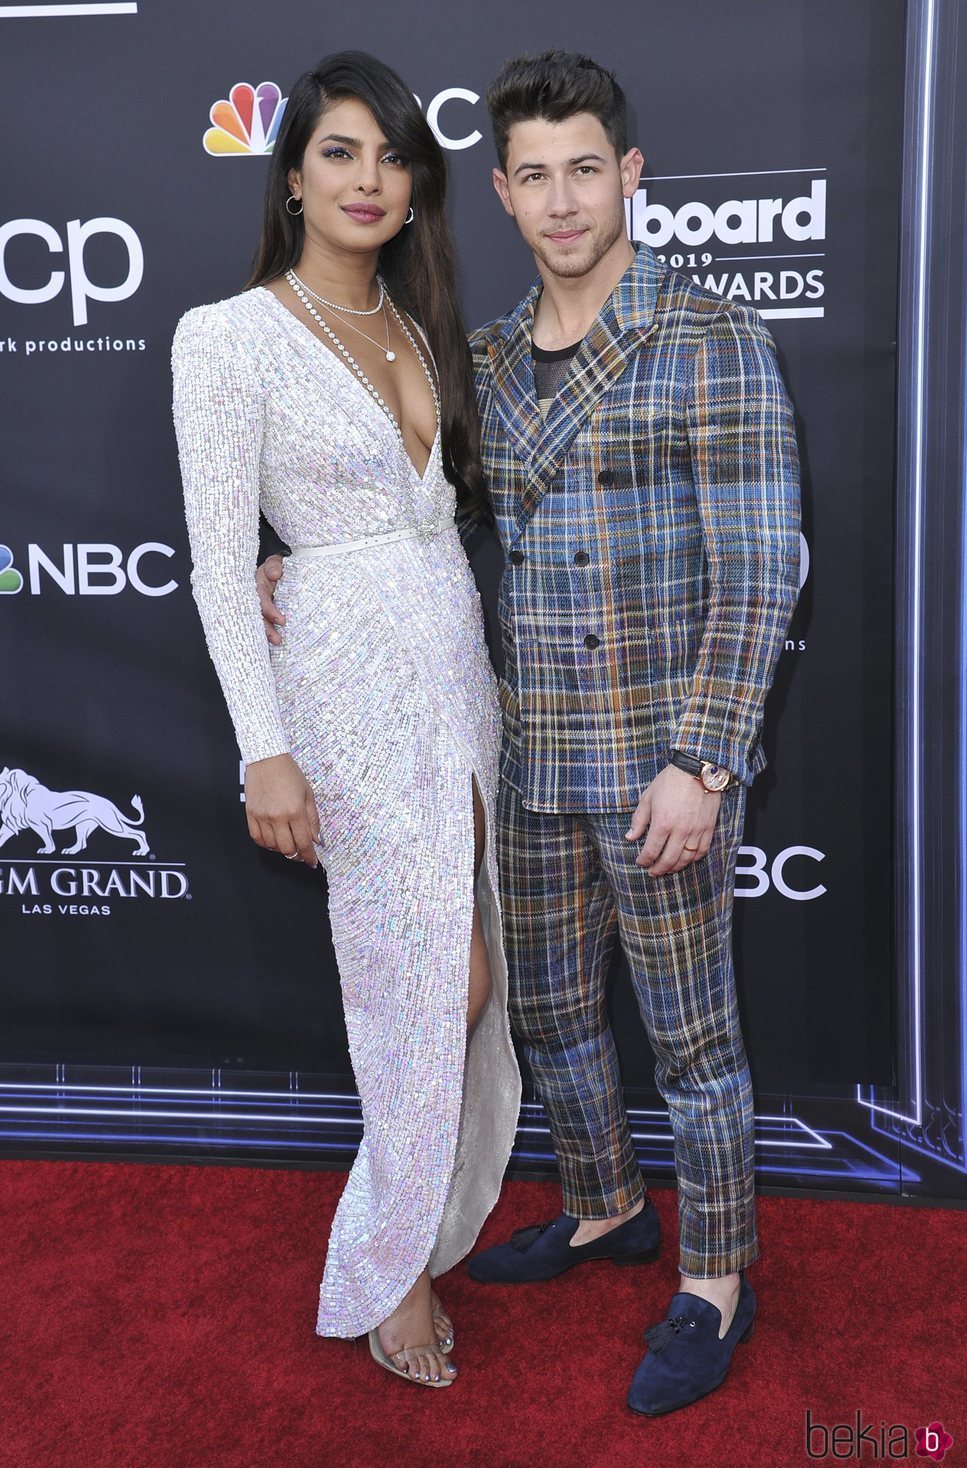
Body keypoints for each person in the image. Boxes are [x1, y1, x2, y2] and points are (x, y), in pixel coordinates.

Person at [259, 48, 800, 1416]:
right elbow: (420, 527)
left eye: (585, 172)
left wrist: (706, 756)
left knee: (692, 1037)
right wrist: (297, 571)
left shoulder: (711, 336)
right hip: (529, 755)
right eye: (534, 177)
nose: (562, 202)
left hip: (663, 762)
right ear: (501, 192)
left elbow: (760, 566)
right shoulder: (482, 364)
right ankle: (610, 1206)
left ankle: (717, 1277)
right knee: (552, 1014)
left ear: (629, 176)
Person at [172, 50, 521, 1391]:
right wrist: (265, 746)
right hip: (345, 697)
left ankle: (416, 1228)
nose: (370, 178)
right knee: (412, 996)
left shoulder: (422, 324)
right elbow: (218, 560)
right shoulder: (229, 337)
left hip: (456, 683)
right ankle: (392, 1275)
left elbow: (429, 527)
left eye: (392, 156)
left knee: (469, 982)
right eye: (341, 152)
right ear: (295, 174)